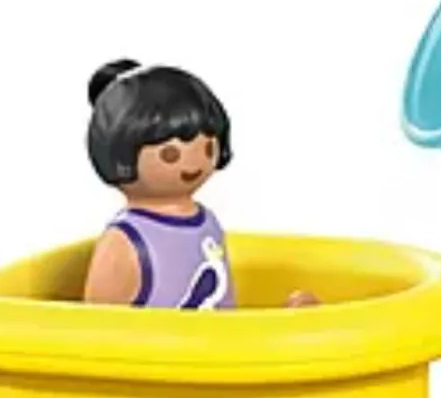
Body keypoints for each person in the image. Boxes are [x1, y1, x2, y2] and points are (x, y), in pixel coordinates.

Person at [81, 59, 314, 308]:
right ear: (121, 155)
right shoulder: (125, 242)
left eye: (208, 147)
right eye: (170, 154)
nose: (194, 162)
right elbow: (99, 325)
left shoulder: (207, 223)